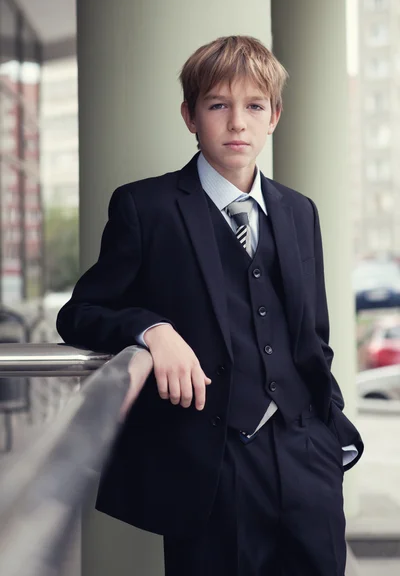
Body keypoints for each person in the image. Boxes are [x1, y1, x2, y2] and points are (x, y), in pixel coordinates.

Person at [57, 35, 364, 576]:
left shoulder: (300, 211)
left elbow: (313, 336)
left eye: (254, 106)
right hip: (213, 468)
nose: (237, 123)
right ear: (190, 116)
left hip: (306, 458)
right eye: (218, 105)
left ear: (275, 116)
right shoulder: (145, 206)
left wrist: (328, 435)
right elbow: (80, 313)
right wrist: (152, 329)